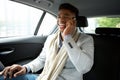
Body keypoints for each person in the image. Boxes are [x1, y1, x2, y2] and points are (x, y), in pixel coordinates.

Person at [0, 3, 94, 80]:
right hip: (45, 77)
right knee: (5, 77)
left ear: (75, 21)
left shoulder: (86, 39)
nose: (61, 19)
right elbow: (42, 60)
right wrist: (25, 68)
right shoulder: (51, 38)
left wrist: (67, 38)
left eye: (66, 16)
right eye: (59, 16)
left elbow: (84, 68)